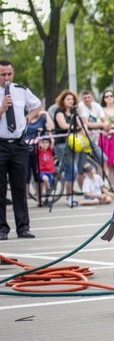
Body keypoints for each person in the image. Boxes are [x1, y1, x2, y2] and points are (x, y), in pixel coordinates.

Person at [0, 59, 42, 240]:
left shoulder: (21, 90)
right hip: (0, 143)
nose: (7, 78)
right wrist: (2, 109)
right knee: (1, 189)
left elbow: (37, 106)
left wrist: (28, 118)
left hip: (18, 144)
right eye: (3, 75)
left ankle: (23, 226)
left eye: (9, 74)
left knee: (19, 186)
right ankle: (2, 228)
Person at [53, 89, 89, 207]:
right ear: (62, 100)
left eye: (72, 99)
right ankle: (68, 196)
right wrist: (76, 128)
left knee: (72, 169)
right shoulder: (59, 112)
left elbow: (81, 125)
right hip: (63, 144)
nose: (70, 101)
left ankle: (69, 195)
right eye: (68, 99)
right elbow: (63, 125)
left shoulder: (74, 113)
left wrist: (82, 128)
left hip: (74, 143)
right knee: (71, 169)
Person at [77, 90, 109, 181]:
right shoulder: (81, 107)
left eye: (88, 97)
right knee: (81, 169)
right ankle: (85, 191)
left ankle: (100, 185)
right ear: (82, 99)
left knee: (103, 160)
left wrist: (106, 124)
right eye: (85, 98)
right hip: (82, 141)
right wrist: (103, 125)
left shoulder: (96, 106)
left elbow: (105, 120)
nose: (87, 99)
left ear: (92, 97)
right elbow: (86, 123)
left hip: (92, 140)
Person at [35, 136, 56, 204]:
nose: (45, 144)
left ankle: (47, 199)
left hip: (49, 171)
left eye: (46, 143)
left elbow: (52, 141)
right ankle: (47, 187)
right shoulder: (39, 151)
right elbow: (38, 142)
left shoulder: (49, 150)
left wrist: (49, 133)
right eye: (43, 143)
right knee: (45, 179)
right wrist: (39, 135)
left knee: (49, 185)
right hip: (42, 171)